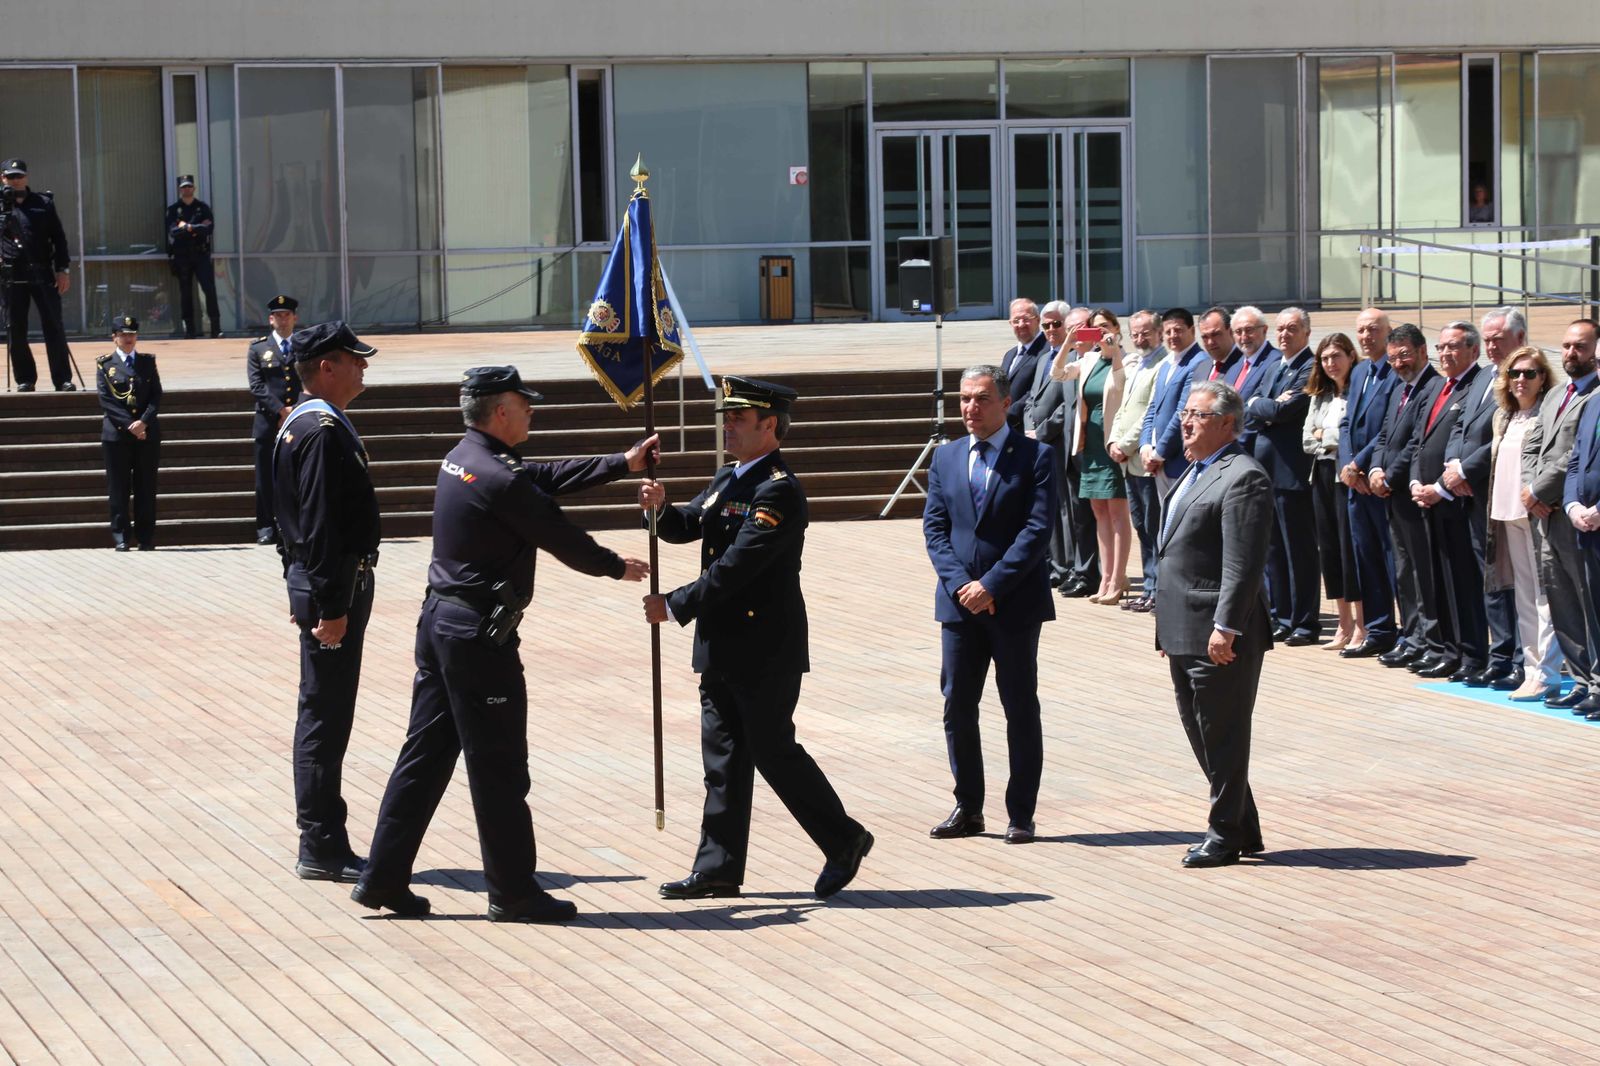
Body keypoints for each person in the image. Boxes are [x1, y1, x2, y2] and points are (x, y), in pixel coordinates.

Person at [354, 367, 655, 922]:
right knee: (499, 767)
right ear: (500, 413)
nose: (532, 412)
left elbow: (538, 475)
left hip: (441, 625)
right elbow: (559, 533)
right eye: (525, 404)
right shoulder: (500, 478)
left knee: (422, 757)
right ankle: (513, 891)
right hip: (476, 642)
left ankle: (382, 877)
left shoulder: (465, 458)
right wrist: (616, 567)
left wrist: (620, 464)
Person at [642, 376, 872, 900]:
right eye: (727, 417)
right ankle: (718, 867)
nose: (728, 425)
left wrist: (674, 604)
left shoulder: (778, 490)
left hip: (764, 647)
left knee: (772, 752)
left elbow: (737, 567)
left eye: (739, 419)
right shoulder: (731, 476)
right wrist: (659, 507)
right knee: (721, 761)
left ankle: (844, 839)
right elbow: (687, 525)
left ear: (770, 426)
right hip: (721, 645)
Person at [924, 364, 1057, 845]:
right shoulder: (946, 457)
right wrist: (964, 586)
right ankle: (968, 807)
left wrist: (992, 586)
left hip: (1014, 604)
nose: (970, 408)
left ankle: (1021, 813)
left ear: (1005, 404)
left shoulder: (1036, 456)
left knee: (1019, 706)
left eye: (981, 399)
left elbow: (1036, 531)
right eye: (963, 399)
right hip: (960, 606)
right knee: (958, 704)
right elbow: (935, 530)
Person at [272, 321, 381, 883]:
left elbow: (286, 520)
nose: (363, 367)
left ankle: (325, 838)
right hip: (333, 587)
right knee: (324, 717)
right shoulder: (318, 430)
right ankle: (320, 844)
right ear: (325, 367)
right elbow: (316, 525)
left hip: (322, 583)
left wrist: (301, 585)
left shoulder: (305, 422)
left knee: (326, 713)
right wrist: (330, 604)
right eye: (353, 359)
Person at [1153, 380, 1273, 868]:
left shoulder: (1244, 476)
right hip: (1184, 626)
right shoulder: (1195, 471)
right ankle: (1243, 826)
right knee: (1200, 730)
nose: (1186, 421)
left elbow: (1241, 564)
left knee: (1222, 732)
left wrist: (1227, 626)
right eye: (1185, 412)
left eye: (1198, 415)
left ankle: (1224, 832)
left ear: (1227, 423)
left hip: (1219, 633)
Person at [1442, 307, 1527, 688]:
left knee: (1513, 580)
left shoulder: (1524, 379)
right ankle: (1500, 653)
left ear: (1519, 340)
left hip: (1504, 493)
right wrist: (1452, 465)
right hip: (1473, 495)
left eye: (1498, 339)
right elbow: (1459, 423)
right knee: (1489, 579)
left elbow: (1504, 435)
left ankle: (1519, 658)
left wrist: (1465, 469)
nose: (1491, 345)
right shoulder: (1481, 379)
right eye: (1488, 339)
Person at [1525, 319, 1600, 713]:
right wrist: (1528, 490)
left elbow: (1574, 457)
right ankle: (1581, 677)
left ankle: (1596, 683)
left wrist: (1540, 492)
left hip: (1573, 515)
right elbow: (1532, 445)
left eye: (1581, 347)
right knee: (1561, 600)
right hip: (1547, 517)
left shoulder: (1596, 396)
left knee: (1588, 601)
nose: (1572, 353)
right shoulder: (1555, 394)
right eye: (1567, 346)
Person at [1407, 322, 1487, 681]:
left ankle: (1471, 654)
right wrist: (1414, 480)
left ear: (1474, 349)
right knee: (1436, 579)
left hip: (1455, 499)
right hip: (1427, 497)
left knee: (1462, 583)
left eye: (1453, 347)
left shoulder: (1477, 386)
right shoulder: (1439, 386)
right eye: (1441, 347)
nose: (1445, 354)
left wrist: (1440, 486)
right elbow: (1418, 441)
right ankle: (1448, 649)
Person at [1485, 346, 1562, 702]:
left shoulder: (1547, 414)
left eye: (1529, 373)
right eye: (1515, 373)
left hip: (1536, 513)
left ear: (1543, 378)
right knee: (1524, 600)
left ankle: (1548, 673)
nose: (1520, 380)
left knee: (1544, 598)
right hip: (1506, 513)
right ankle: (1532, 671)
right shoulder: (1504, 416)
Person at [1367, 324, 1444, 673]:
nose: (1399, 363)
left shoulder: (1433, 387)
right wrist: (1375, 470)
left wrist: (1391, 477)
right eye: (1394, 357)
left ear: (1423, 352)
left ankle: (1431, 640)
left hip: (1413, 493)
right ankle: (1411, 637)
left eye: (1405, 355)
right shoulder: (1400, 389)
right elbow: (1384, 436)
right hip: (1391, 493)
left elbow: (1417, 441)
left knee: (1422, 573)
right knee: (1403, 570)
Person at [1247, 307, 1319, 644]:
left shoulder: (1309, 367)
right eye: (1281, 329)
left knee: (1299, 551)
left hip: (1292, 473)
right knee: (1273, 549)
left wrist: (1267, 406)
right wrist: (1266, 405)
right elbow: (1252, 406)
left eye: (1292, 329)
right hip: (1266, 473)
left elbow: (1284, 410)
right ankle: (1281, 615)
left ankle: (1305, 621)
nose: (1285, 335)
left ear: (1306, 332)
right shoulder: (1275, 365)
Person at [1049, 307, 1130, 604]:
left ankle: (1118, 578)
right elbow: (1057, 374)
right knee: (1099, 513)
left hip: (1113, 442)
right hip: (1090, 444)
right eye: (1097, 329)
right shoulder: (1088, 359)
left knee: (1118, 513)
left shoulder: (1128, 359)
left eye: (1107, 327)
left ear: (1117, 329)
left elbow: (1121, 385)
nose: (1103, 333)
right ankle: (1105, 577)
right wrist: (1068, 345)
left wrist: (1115, 353)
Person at [1336, 307, 1399, 658]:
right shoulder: (1360, 371)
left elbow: (1391, 426)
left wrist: (1360, 464)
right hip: (1355, 483)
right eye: (1361, 330)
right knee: (1366, 558)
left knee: (1392, 560)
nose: (1366, 336)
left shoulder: (1397, 372)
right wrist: (1348, 463)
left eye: (1374, 329)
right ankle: (1378, 629)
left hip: (1380, 481)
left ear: (1388, 332)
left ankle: (1407, 632)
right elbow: (1347, 423)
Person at [1027, 304, 1099, 597]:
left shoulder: (1096, 360)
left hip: (1081, 446)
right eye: (1049, 327)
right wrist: (1030, 429)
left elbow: (1064, 409)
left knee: (1086, 515)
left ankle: (1086, 571)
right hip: (1059, 445)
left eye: (1074, 329)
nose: (1054, 332)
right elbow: (1037, 397)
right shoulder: (1059, 358)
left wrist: (1042, 431)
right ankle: (1068, 568)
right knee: (1064, 511)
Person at [1301, 333, 1364, 650]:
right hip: (1321, 474)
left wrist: (1325, 435)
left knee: (1347, 548)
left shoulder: (1359, 392)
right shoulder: (1321, 396)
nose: (1331, 363)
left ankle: (1362, 625)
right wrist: (1329, 436)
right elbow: (1306, 439)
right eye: (1325, 358)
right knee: (1328, 549)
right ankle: (1343, 623)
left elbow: (1351, 436)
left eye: (1337, 356)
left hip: (1346, 475)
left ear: (1351, 356)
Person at [2, 159, 76, 392]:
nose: (15, 180)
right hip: (11, 274)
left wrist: (62, 269)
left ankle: (62, 379)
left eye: (19, 176)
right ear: (2, 178)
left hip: (42, 271)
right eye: (10, 176)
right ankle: (25, 379)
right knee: (16, 328)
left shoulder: (43, 203)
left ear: (26, 177)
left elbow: (59, 238)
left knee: (53, 325)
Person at [1109, 310, 1165, 613]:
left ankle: (1158, 589)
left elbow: (1149, 413)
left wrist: (1127, 444)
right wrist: (1113, 440)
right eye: (1136, 334)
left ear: (1158, 333)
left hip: (1144, 458)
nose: (1140, 339)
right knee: (1142, 526)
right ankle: (1148, 586)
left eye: (1146, 333)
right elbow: (1125, 408)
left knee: (1154, 528)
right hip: (1127, 460)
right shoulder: (1137, 364)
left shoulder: (1162, 365)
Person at [95, 315, 161, 551]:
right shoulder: (105, 365)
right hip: (117, 436)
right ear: (114, 338)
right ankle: (121, 536)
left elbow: (156, 396)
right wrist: (130, 425)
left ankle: (145, 537)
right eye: (123, 335)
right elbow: (107, 401)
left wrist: (143, 423)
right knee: (119, 488)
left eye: (131, 334)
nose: (128, 339)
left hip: (146, 434)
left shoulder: (147, 362)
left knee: (146, 487)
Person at [247, 295, 303, 545]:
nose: (282, 319)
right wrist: (281, 410)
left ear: (295, 318)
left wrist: (295, 410)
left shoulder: (304, 346)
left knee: (297, 477)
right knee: (266, 479)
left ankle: (294, 526)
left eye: (287, 315)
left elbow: (310, 381)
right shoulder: (258, 348)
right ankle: (266, 527)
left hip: (300, 422)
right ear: (270, 320)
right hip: (268, 422)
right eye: (278, 315)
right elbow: (257, 385)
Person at [164, 176, 222, 339]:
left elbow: (208, 228)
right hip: (182, 256)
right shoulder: (174, 209)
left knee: (209, 290)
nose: (186, 190)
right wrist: (197, 228)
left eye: (189, 187)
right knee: (186, 293)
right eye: (183, 187)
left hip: (201, 255)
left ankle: (216, 329)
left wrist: (187, 227)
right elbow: (173, 231)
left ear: (194, 188)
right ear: (179, 190)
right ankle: (190, 330)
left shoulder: (202, 208)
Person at [1000, 297, 1048, 430]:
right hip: (1006, 427)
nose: (1021, 324)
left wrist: (1007, 414)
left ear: (1038, 320)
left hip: (1028, 427)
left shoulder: (1047, 350)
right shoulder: (1010, 354)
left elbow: (1036, 390)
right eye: (1016, 321)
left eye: (1026, 319)